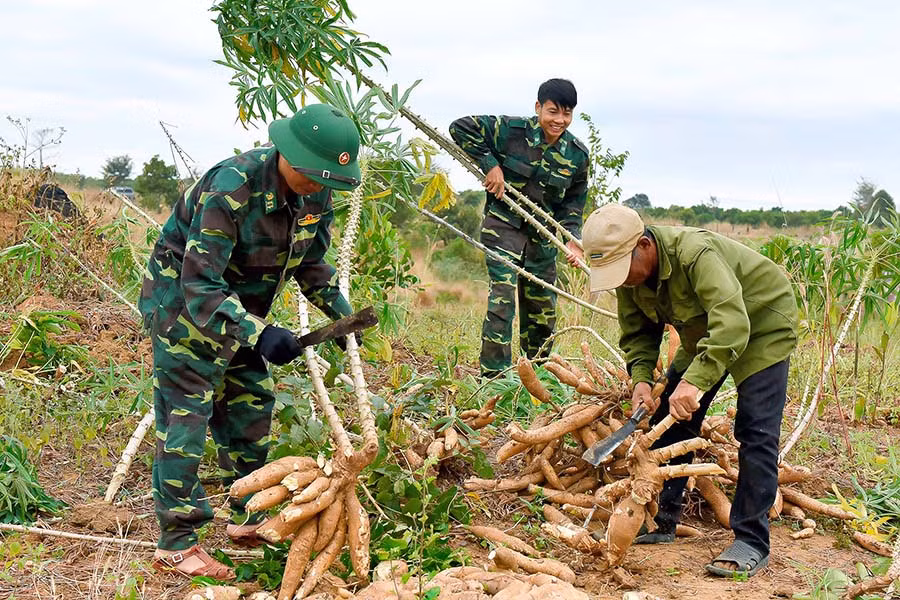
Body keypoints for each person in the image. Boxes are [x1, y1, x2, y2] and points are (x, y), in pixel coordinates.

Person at [138, 103, 361, 579]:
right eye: (313, 177)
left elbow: (312, 264)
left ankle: (247, 510)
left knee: (250, 407)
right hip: (183, 307)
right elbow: (200, 286)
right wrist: (262, 335)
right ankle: (177, 542)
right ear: (290, 155)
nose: (319, 188)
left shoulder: (315, 195)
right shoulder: (231, 189)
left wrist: (341, 317)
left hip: (240, 311)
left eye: (327, 182)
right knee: (187, 418)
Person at [581, 203, 798, 578]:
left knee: (755, 430)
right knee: (671, 418)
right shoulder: (629, 279)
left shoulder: (695, 253)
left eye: (622, 269)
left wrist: (694, 382)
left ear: (645, 245)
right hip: (707, 333)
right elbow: (638, 334)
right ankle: (663, 522)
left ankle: (751, 540)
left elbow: (732, 323)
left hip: (762, 325)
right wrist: (642, 381)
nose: (621, 280)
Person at [449, 78, 590, 378]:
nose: (559, 120)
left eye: (567, 114)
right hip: (503, 225)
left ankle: (536, 376)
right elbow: (460, 127)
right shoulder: (508, 131)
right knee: (502, 297)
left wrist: (572, 239)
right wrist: (490, 164)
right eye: (553, 112)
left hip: (542, 239)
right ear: (538, 108)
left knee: (542, 309)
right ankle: (495, 378)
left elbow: (574, 204)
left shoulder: (577, 154)